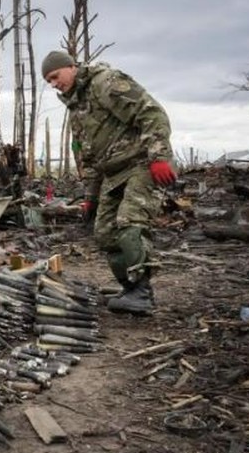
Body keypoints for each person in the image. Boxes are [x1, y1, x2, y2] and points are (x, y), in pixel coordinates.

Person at [41, 49, 176, 315]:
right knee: (104, 232)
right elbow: (90, 159)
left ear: (71, 66)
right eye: (49, 82)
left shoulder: (105, 82)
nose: (55, 84)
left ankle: (142, 293)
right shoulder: (77, 109)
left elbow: (152, 113)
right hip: (112, 174)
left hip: (142, 163)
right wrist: (91, 197)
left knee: (129, 222)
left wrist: (159, 157)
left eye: (56, 76)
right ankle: (129, 287)